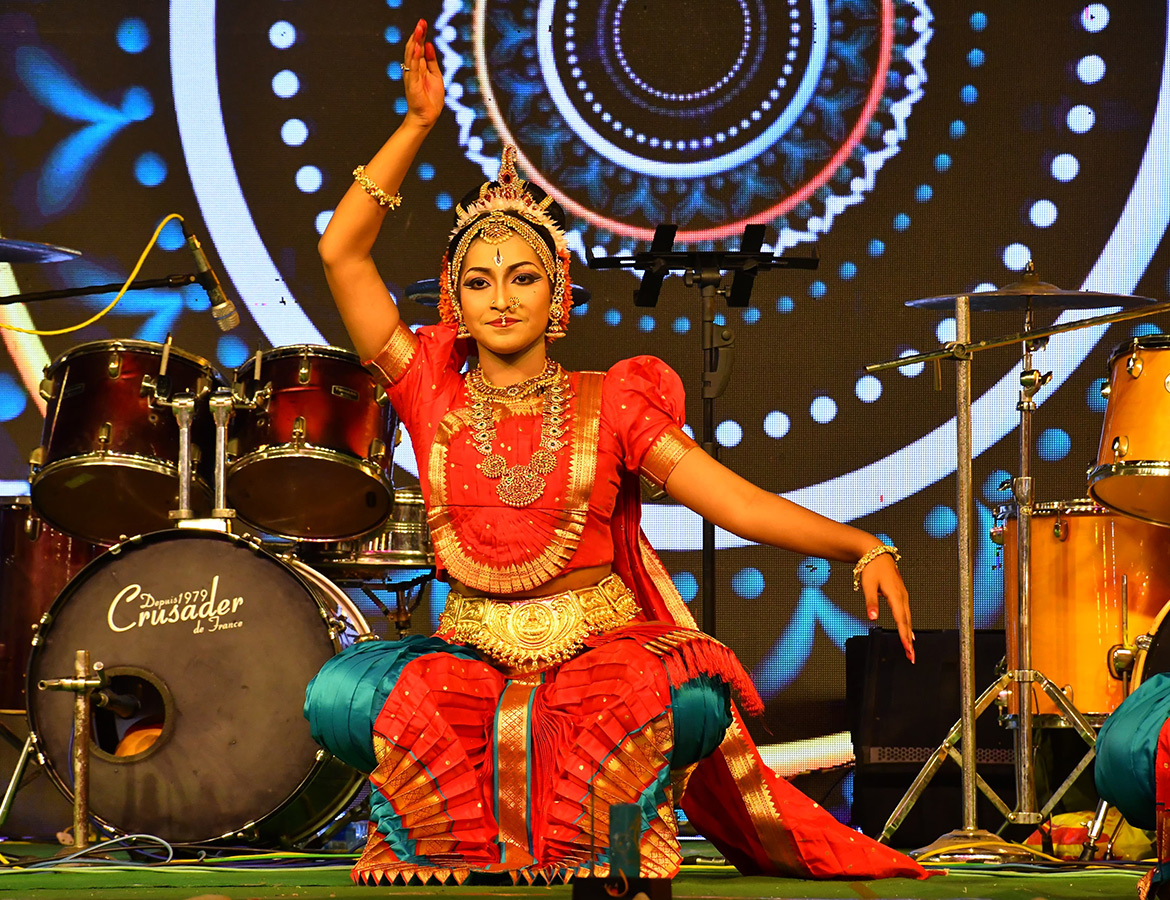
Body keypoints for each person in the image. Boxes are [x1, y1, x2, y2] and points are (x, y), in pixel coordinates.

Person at [304, 19, 924, 886]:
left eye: (523, 277)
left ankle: (608, 846)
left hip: (595, 657)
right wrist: (415, 126)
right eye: (479, 282)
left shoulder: (613, 402)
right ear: (454, 297)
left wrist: (862, 544)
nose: (501, 299)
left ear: (557, 295)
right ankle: (469, 848)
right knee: (352, 694)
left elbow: (732, 501)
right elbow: (342, 252)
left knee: (674, 698)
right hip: (473, 654)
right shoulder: (427, 382)